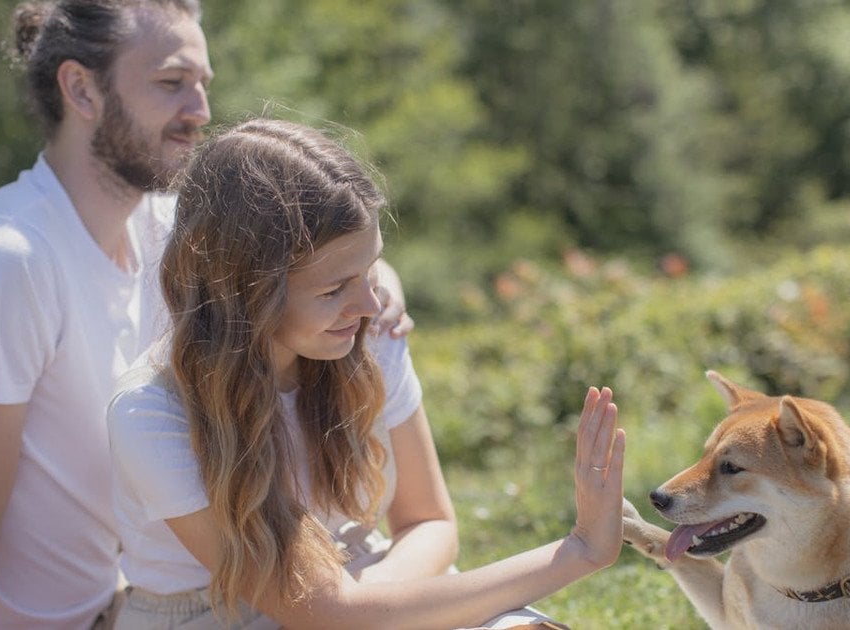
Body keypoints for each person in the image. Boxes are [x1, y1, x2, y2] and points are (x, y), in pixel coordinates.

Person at [0, 2, 411, 628]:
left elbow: (313, 260)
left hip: (136, 605)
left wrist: (379, 279)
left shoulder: (164, 233)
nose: (199, 110)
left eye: (203, 83)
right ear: (81, 89)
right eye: (172, 82)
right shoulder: (7, 264)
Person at [107, 118, 627, 629]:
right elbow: (323, 612)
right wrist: (578, 551)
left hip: (368, 585)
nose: (369, 304)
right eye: (333, 289)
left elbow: (429, 522)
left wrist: (372, 603)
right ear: (244, 292)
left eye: (370, 269)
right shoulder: (152, 413)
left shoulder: (367, 336)